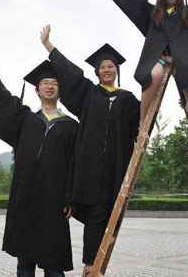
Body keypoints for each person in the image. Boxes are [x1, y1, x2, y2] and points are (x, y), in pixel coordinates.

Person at [0, 43, 76, 277]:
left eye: (54, 83)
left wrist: (70, 197)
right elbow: (3, 100)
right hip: (25, 197)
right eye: (45, 83)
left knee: (54, 265)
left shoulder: (71, 126)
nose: (49, 85)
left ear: (60, 90)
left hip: (54, 201)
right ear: (37, 90)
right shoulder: (25, 119)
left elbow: (75, 165)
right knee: (24, 265)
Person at [39, 26, 140, 276]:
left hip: (115, 168)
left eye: (111, 66)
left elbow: (144, 119)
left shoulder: (127, 99)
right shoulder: (88, 93)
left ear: (116, 70)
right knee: (94, 217)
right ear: (97, 71)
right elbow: (70, 74)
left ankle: (99, 266)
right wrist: (49, 46)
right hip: (89, 170)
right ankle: (90, 267)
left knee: (111, 217)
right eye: (102, 67)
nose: (106, 70)